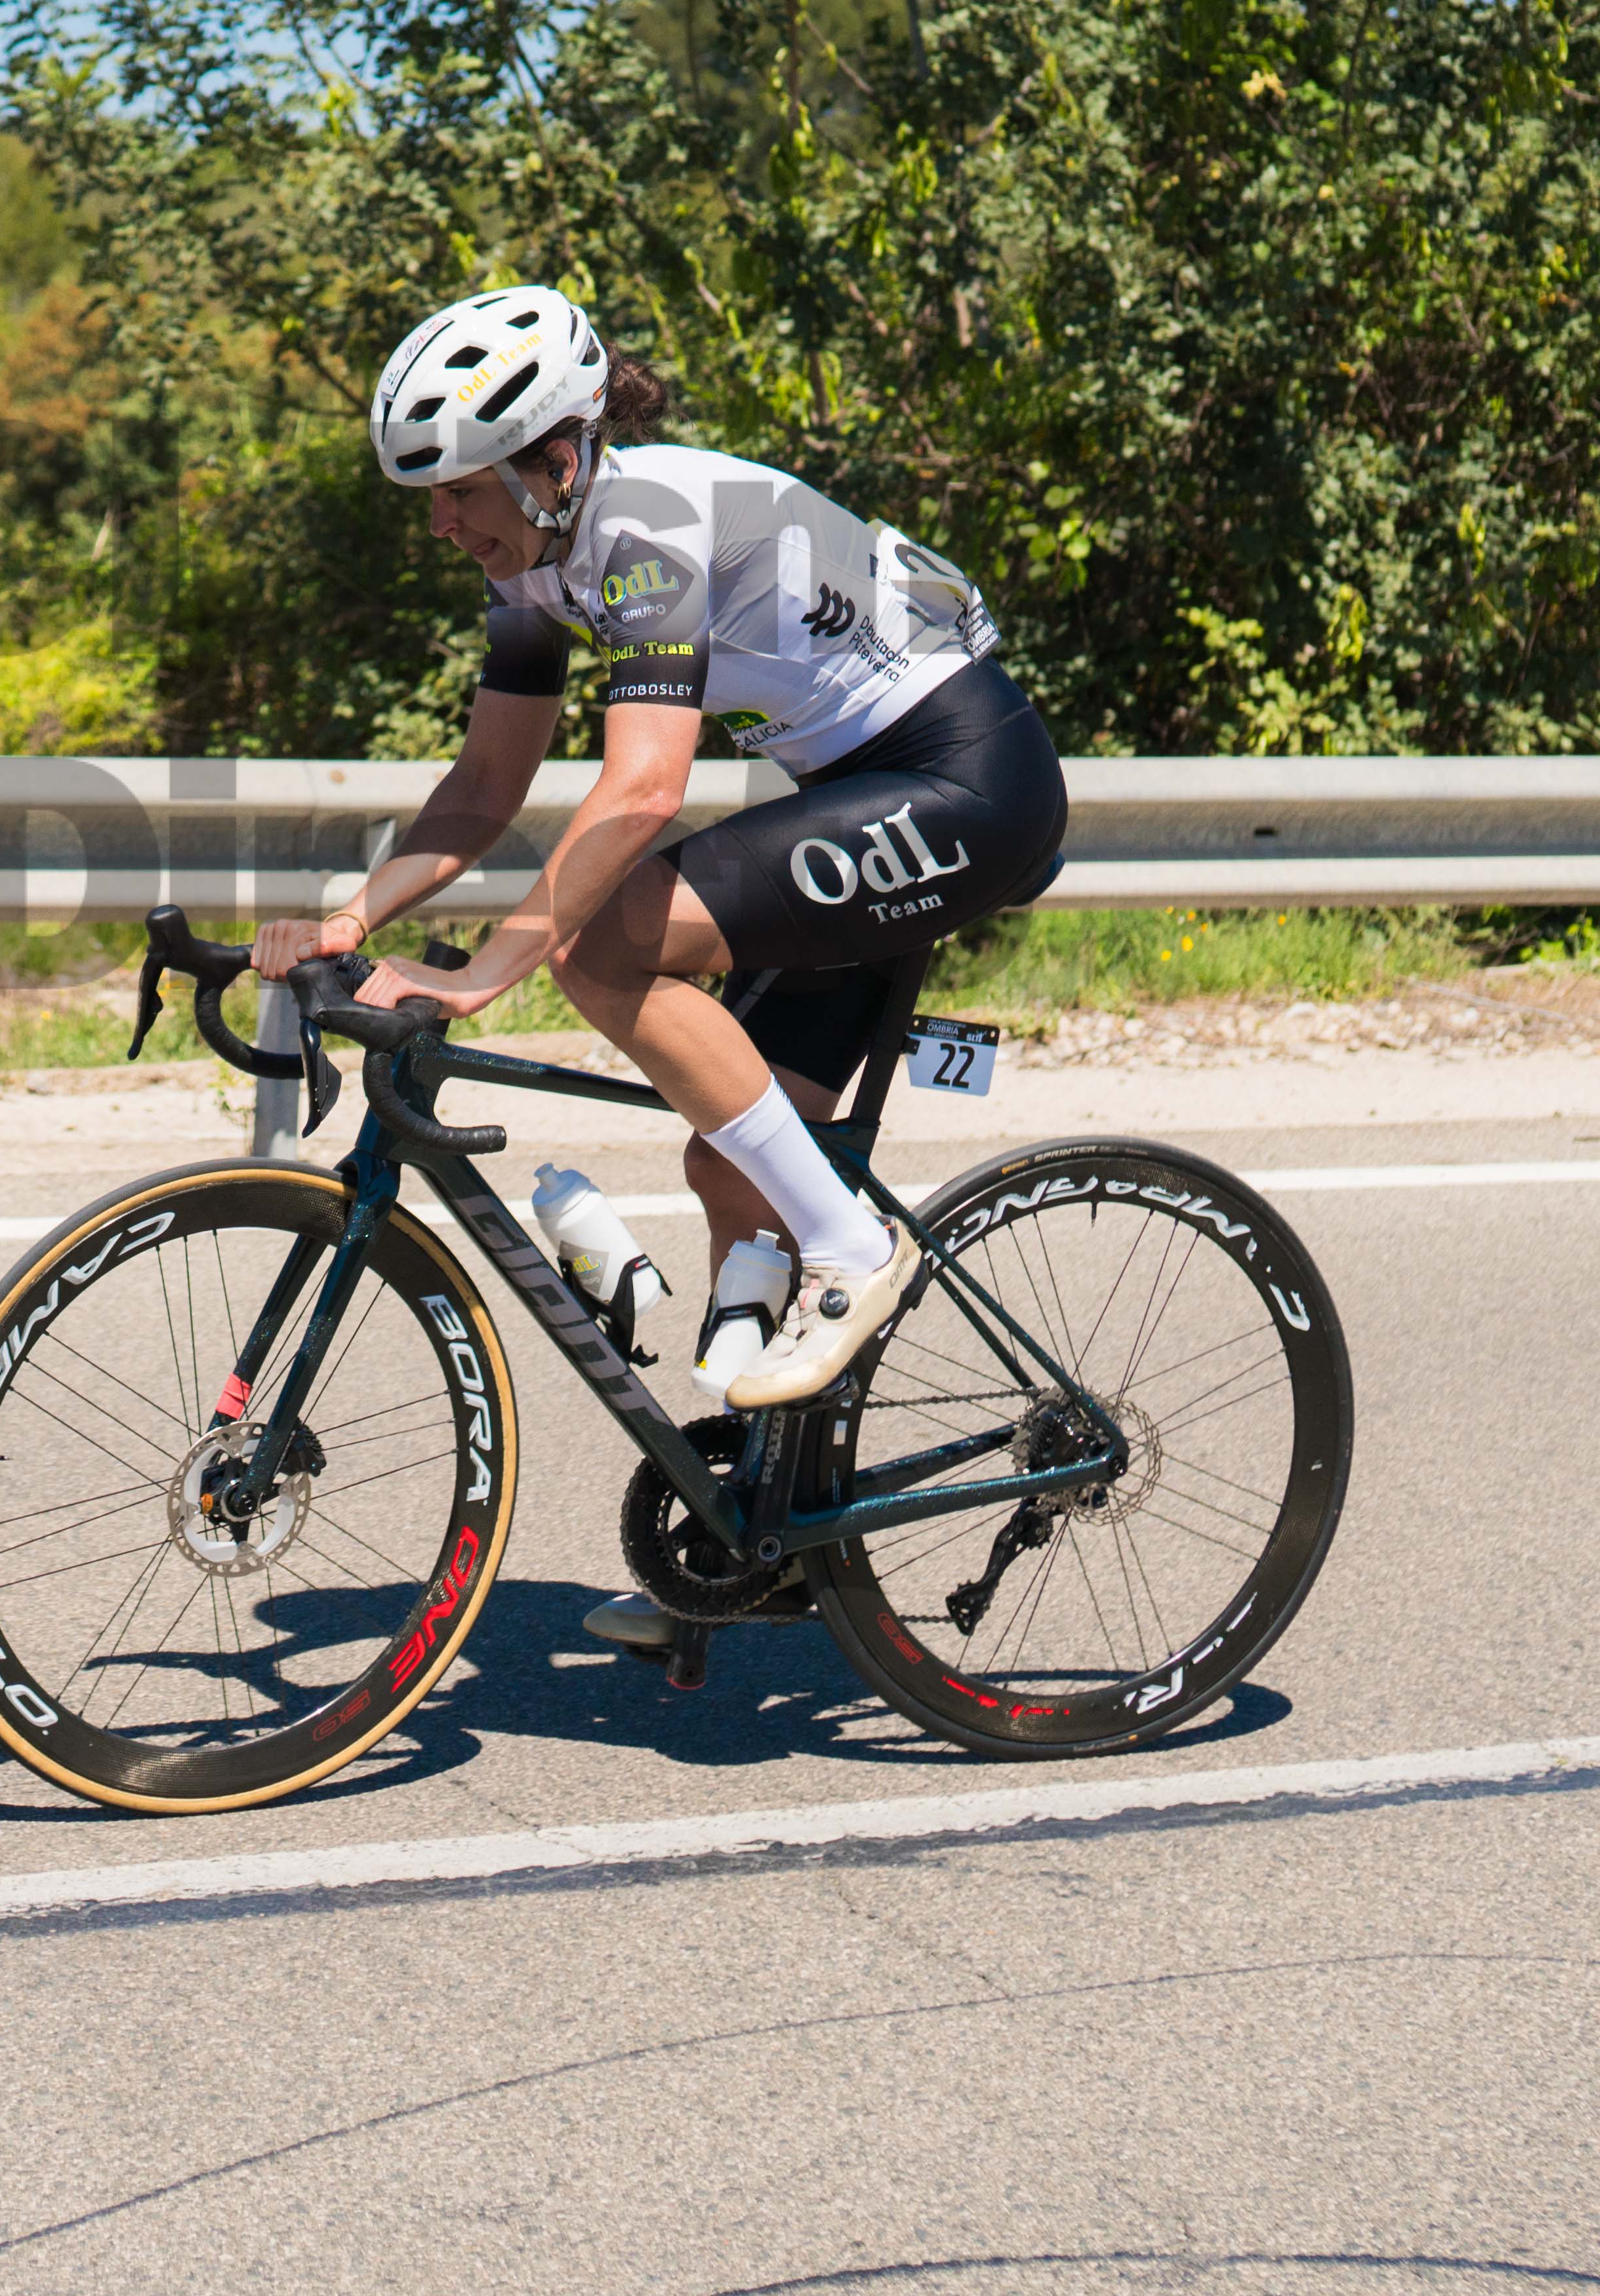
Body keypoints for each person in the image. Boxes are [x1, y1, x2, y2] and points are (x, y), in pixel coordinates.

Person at [245, 282, 1069, 1640]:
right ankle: (782, 1537)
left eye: (456, 490)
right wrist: (356, 917)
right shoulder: (531, 566)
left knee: (608, 944)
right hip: (852, 797)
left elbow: (637, 796)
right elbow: (486, 783)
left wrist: (480, 976)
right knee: (723, 1158)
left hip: (963, 785)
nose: (440, 524)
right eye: (431, 497)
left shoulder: (642, 530)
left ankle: (853, 1248)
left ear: (553, 459)